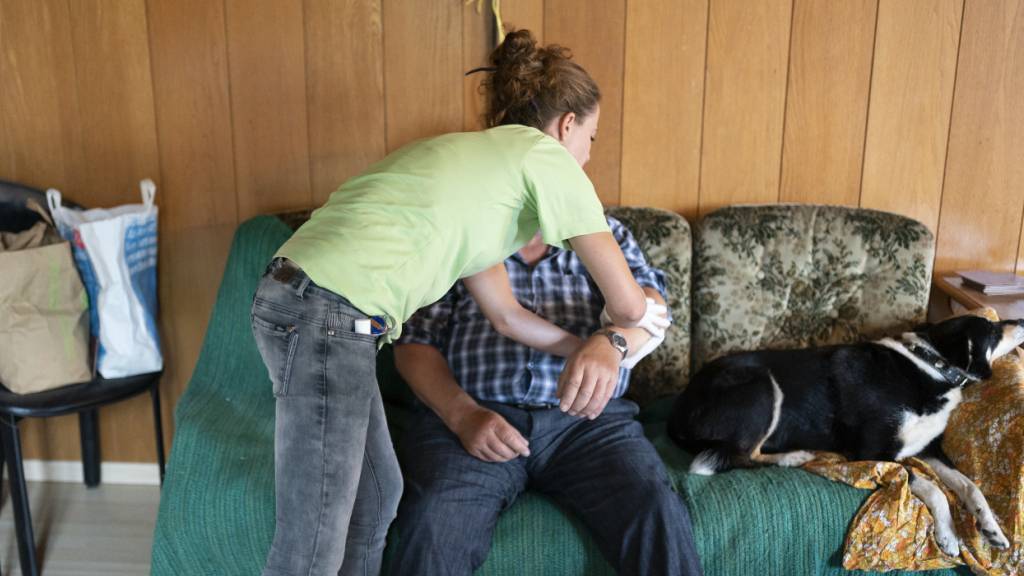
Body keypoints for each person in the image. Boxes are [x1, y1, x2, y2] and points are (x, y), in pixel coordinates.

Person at [250, 29, 654, 576]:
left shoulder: (481, 179)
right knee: (317, 530)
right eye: (592, 138)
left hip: (316, 305)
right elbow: (631, 307)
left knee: (377, 500)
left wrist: (583, 348)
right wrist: (615, 339)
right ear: (565, 126)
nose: (586, 157)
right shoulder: (546, 158)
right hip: (325, 308)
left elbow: (507, 316)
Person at [389, 216, 704, 576]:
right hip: (475, 416)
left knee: (655, 507)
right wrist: (463, 415)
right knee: (434, 520)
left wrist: (611, 343)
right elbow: (414, 345)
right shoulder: (465, 227)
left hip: (590, 423)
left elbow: (651, 308)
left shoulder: (604, 231)